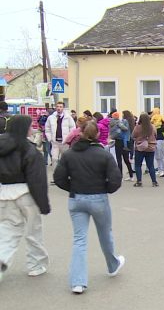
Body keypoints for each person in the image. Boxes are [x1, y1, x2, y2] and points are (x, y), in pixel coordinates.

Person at [53, 122, 124, 294]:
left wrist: (72, 187)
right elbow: (115, 179)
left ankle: (78, 282)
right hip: (98, 197)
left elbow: (59, 178)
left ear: (80, 133)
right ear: (98, 134)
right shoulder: (104, 154)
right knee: (105, 234)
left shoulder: (69, 154)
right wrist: (105, 189)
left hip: (76, 198)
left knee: (79, 239)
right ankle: (112, 264)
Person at [0, 115, 51, 284]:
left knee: (8, 230)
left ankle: (2, 258)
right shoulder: (29, 149)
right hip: (26, 193)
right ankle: (36, 265)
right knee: (33, 230)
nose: (32, 129)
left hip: (4, 192)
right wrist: (43, 204)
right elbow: (37, 180)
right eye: (30, 126)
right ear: (23, 128)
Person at [44, 101, 76, 168]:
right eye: (57, 106)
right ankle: (55, 172)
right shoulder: (51, 118)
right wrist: (50, 138)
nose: (59, 108)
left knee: (66, 159)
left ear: (63, 108)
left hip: (65, 143)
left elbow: (73, 129)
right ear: (56, 107)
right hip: (55, 142)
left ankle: (65, 172)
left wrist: (68, 139)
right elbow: (47, 128)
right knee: (54, 159)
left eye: (60, 107)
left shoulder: (68, 118)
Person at [132, 113, 158, 187]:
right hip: (150, 147)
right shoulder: (152, 127)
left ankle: (139, 181)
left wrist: (138, 139)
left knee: (138, 165)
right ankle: (154, 182)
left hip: (140, 147)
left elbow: (133, 136)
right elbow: (155, 135)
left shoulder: (137, 127)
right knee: (151, 165)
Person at [150, 107, 164, 177]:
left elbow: (162, 129)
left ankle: (163, 169)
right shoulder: (152, 120)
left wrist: (156, 127)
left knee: (161, 155)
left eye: (154, 112)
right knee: (156, 155)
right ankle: (159, 169)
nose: (153, 113)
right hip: (154, 139)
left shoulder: (161, 120)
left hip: (160, 139)